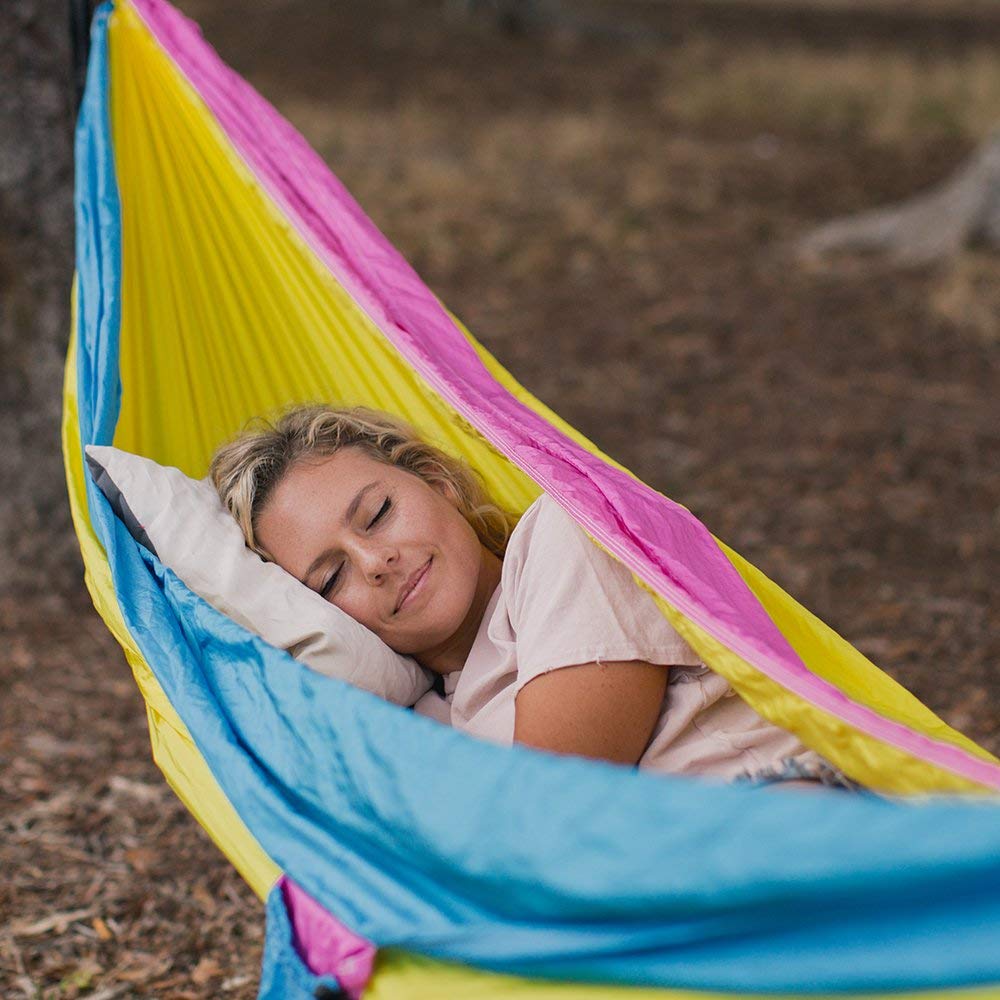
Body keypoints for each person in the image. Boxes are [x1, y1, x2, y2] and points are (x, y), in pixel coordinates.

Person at [210, 404, 857, 789]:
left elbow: (556, 803)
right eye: (330, 579)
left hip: (781, 839)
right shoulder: (419, 717)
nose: (376, 562)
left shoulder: (565, 536)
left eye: (378, 513)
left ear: (438, 481)